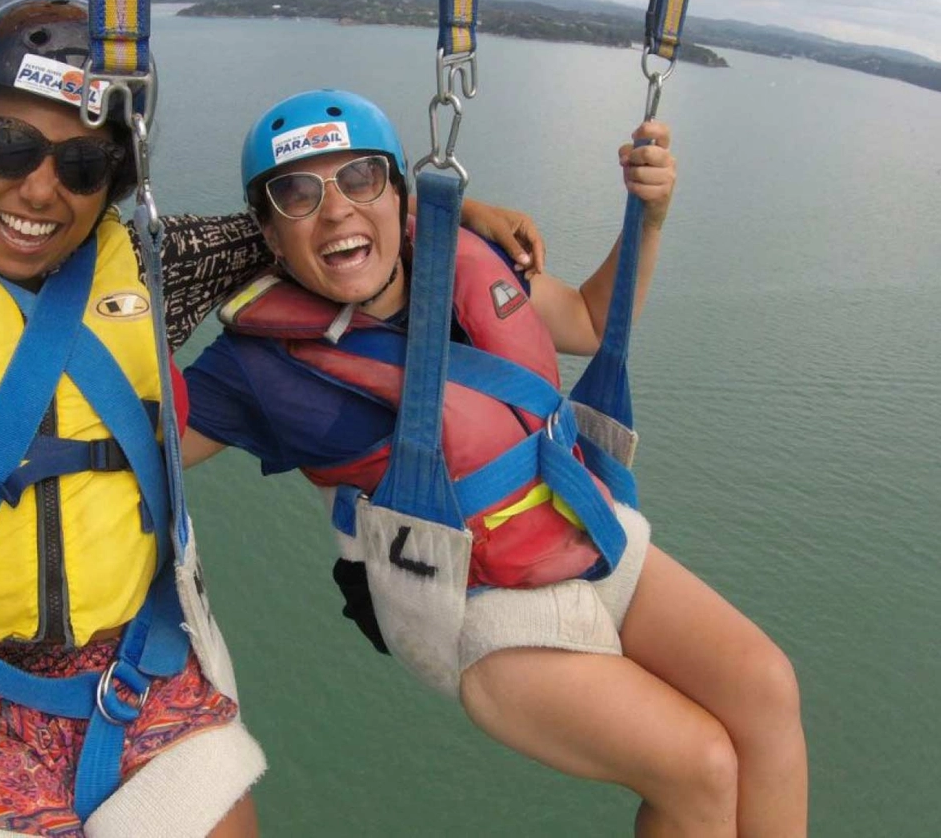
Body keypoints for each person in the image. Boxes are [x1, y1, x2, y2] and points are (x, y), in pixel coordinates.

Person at [0, 1, 543, 835]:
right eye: (10, 148)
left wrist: (448, 209)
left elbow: (304, 225)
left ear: (113, 183)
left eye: (82, 166)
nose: (41, 190)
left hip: (138, 669)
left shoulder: (153, 270)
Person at [181, 89, 808, 837]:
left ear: (400, 192)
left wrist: (651, 216)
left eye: (360, 179)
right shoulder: (256, 369)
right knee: (700, 765)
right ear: (268, 236)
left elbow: (588, 320)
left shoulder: (467, 261)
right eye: (297, 193)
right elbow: (132, 446)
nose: (338, 208)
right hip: (476, 612)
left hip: (581, 531)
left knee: (766, 689)